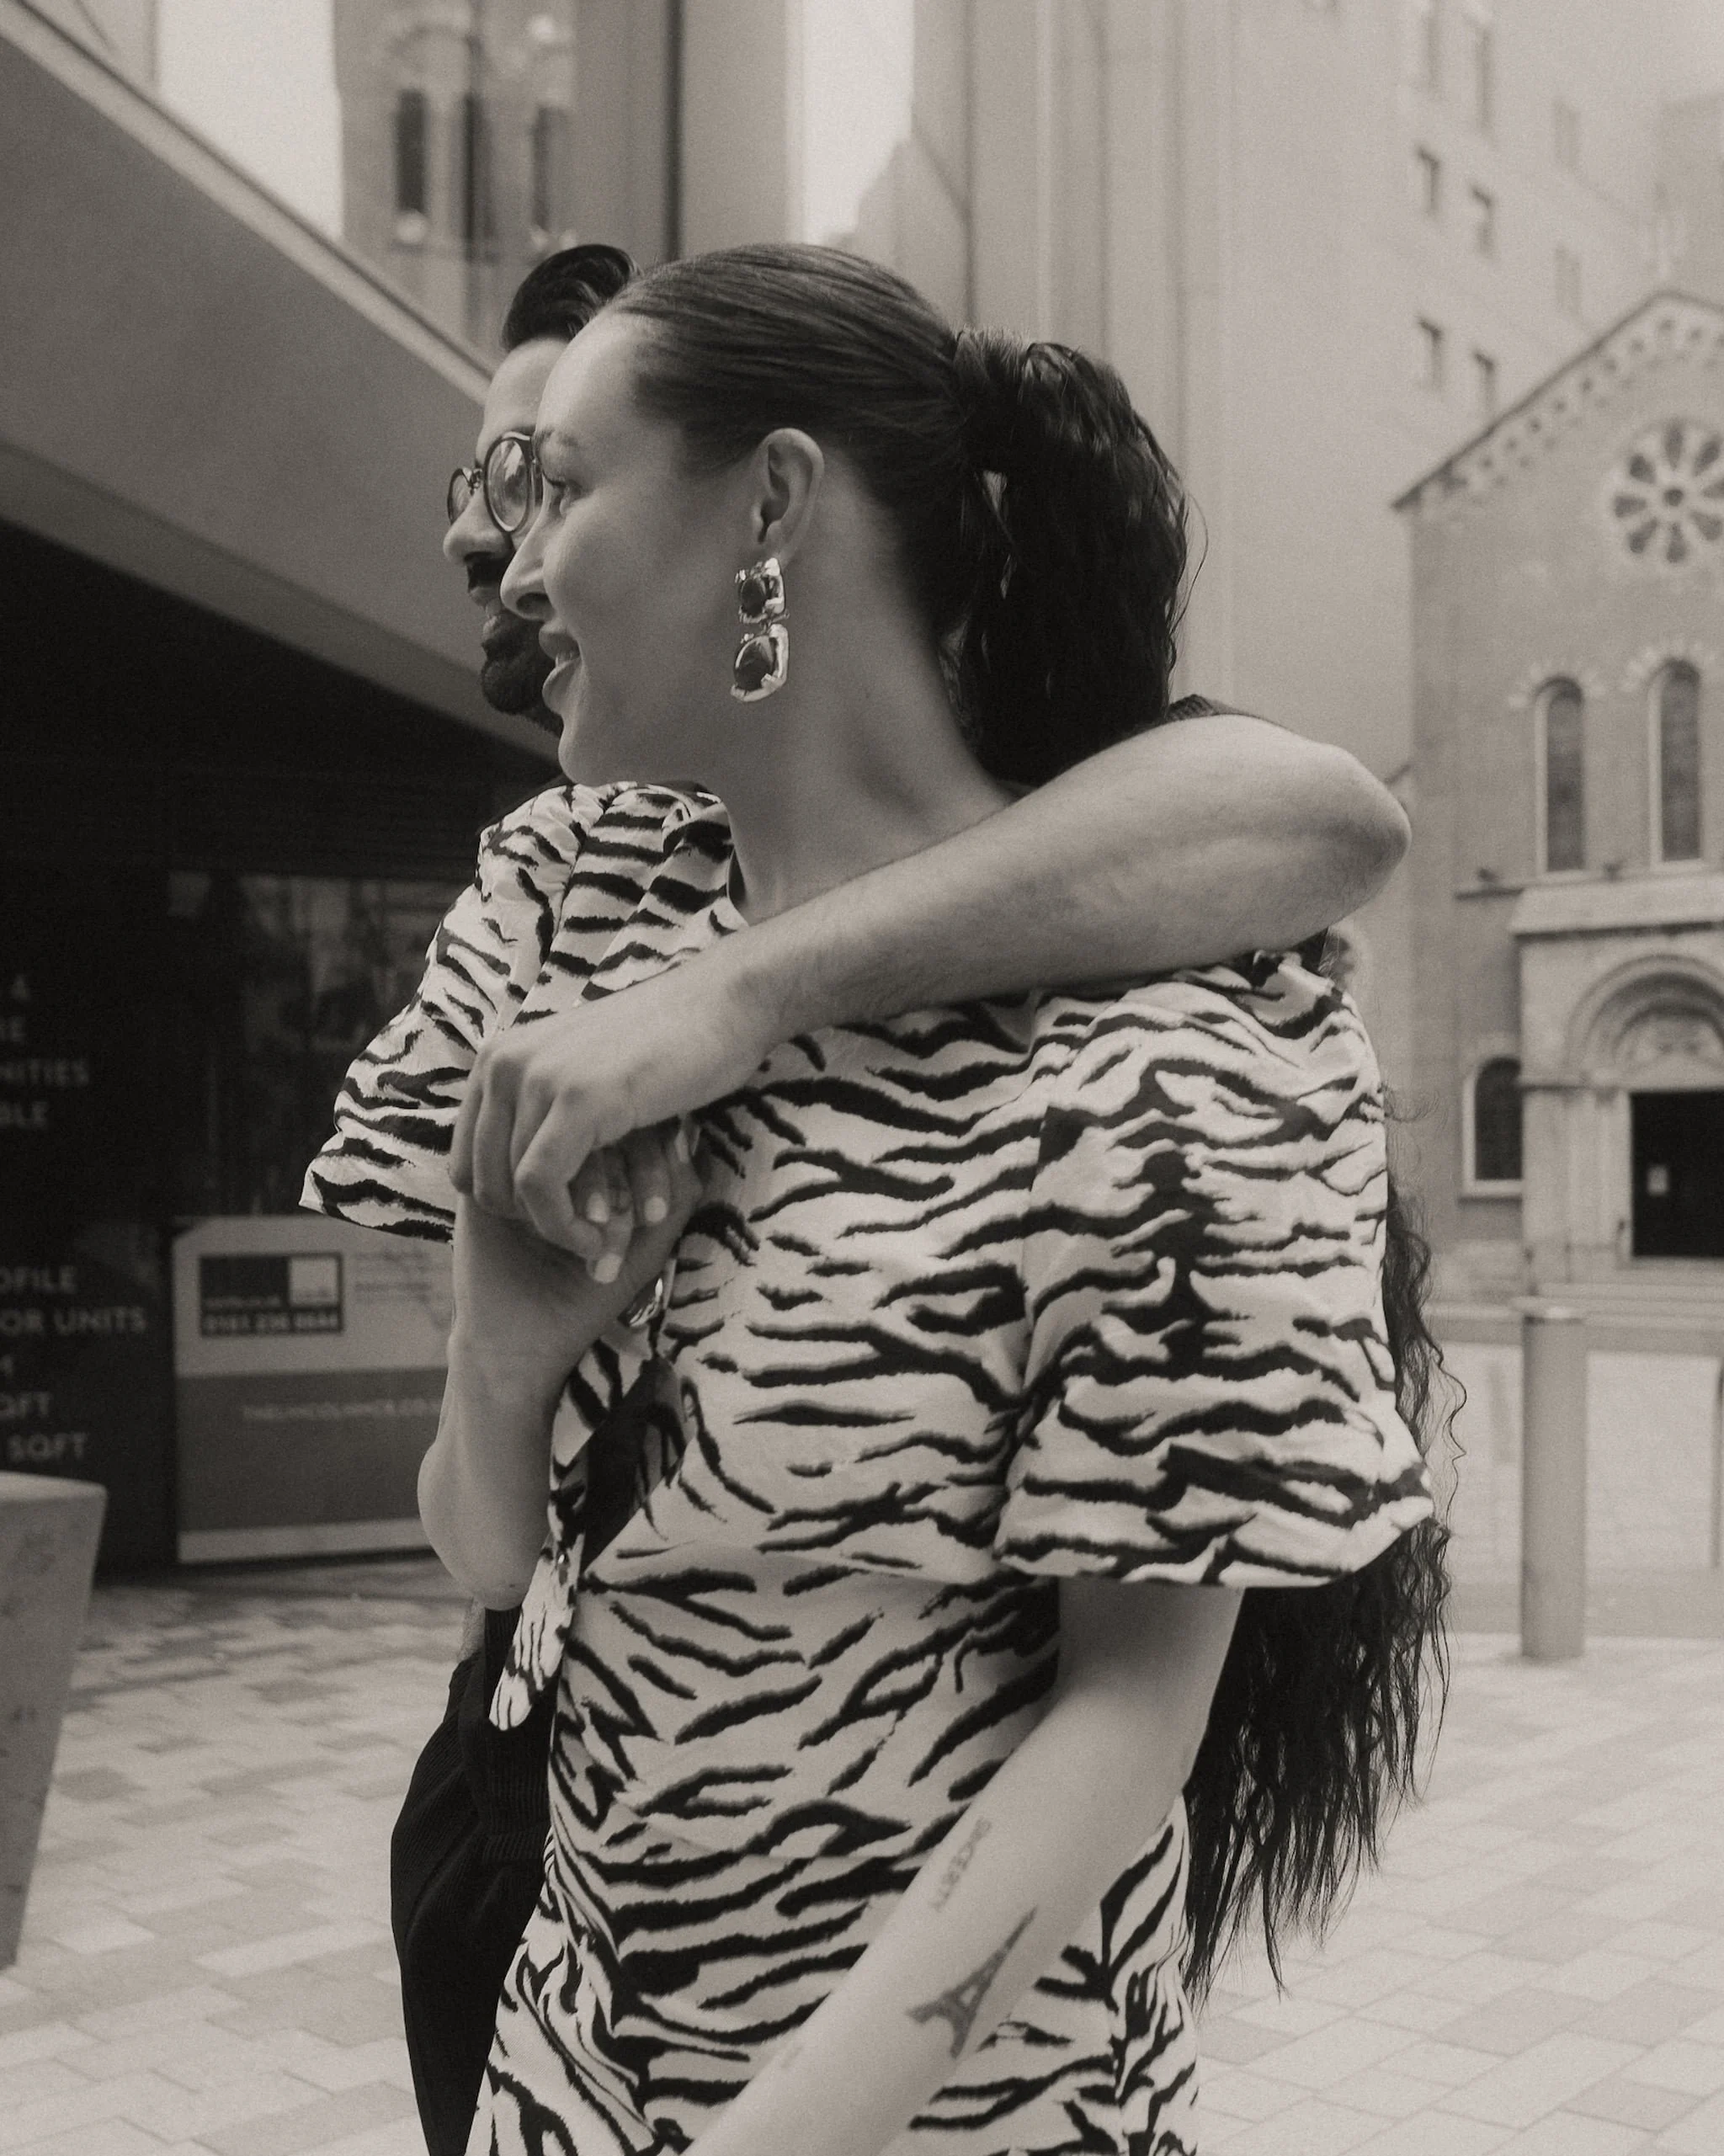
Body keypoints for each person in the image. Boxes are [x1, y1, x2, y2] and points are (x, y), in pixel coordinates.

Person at [314, 244, 1449, 2156]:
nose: (506, 568)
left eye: (561, 484)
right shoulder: (570, 913)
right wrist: (501, 1365)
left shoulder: (1166, 1058)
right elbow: (496, 1567)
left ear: (768, 503)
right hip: (557, 2055)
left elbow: (1125, 1730)